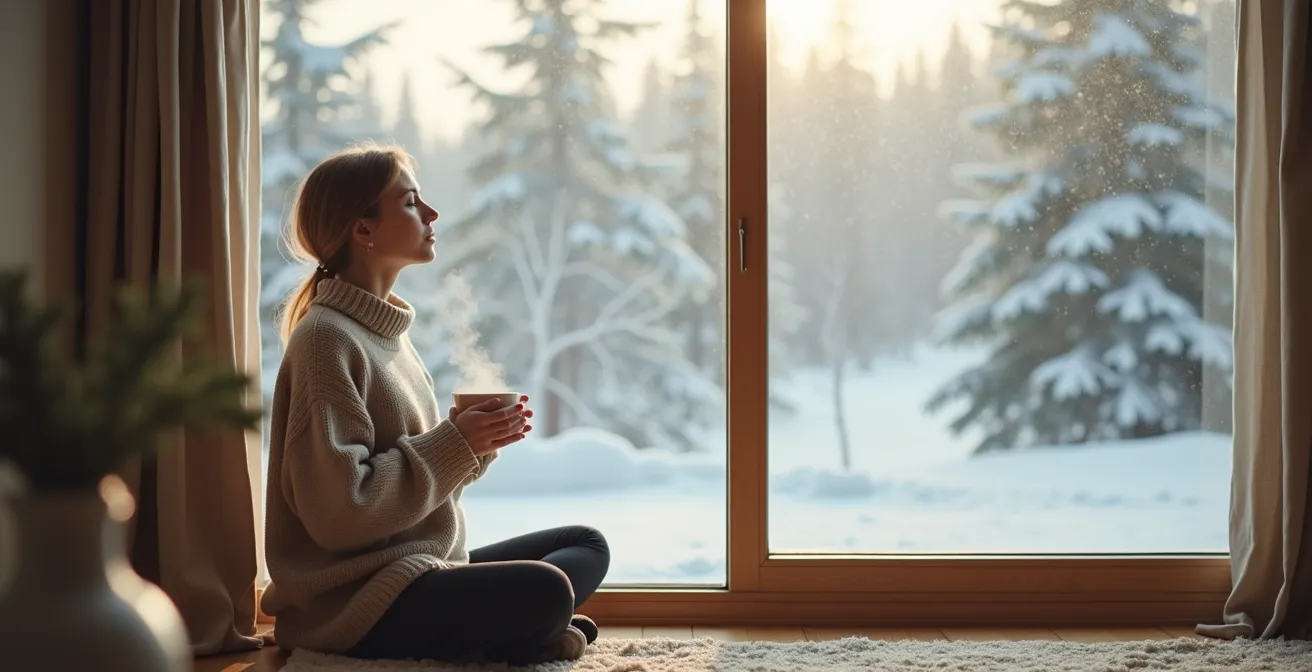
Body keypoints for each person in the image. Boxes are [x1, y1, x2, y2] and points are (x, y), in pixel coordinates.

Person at [260, 143, 610, 664]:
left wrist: (474, 445)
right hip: (358, 604)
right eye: (410, 202)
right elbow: (341, 514)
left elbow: (410, 480)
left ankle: (521, 634)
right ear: (364, 229)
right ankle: (524, 633)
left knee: (586, 544)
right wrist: (455, 444)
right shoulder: (326, 341)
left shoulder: (387, 332)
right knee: (548, 590)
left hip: (421, 566)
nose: (432, 213)